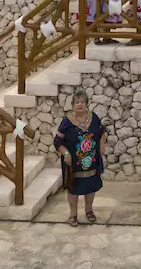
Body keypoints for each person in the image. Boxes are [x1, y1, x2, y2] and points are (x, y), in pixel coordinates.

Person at [55, 92, 107, 226]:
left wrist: (101, 147)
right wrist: (66, 153)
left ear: (86, 104)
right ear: (72, 105)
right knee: (74, 187)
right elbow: (57, 141)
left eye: (82, 102)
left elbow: (102, 132)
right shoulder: (67, 121)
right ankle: (73, 215)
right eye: (77, 102)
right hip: (73, 163)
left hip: (91, 161)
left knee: (90, 185)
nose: (80, 104)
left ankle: (89, 211)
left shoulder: (93, 117)